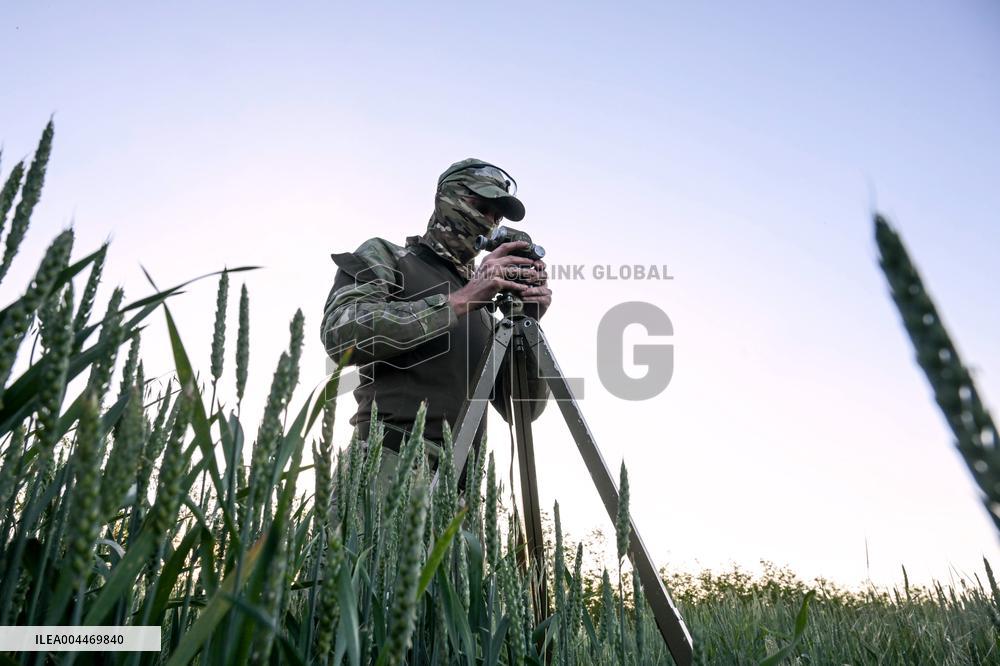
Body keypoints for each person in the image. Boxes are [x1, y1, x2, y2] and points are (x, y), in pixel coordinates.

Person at [320, 159, 553, 493]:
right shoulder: (390, 258)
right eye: (480, 206)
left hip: (460, 487)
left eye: (496, 216)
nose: (489, 222)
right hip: (386, 466)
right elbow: (342, 334)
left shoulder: (487, 309)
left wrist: (527, 323)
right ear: (447, 197)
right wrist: (461, 301)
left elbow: (523, 411)